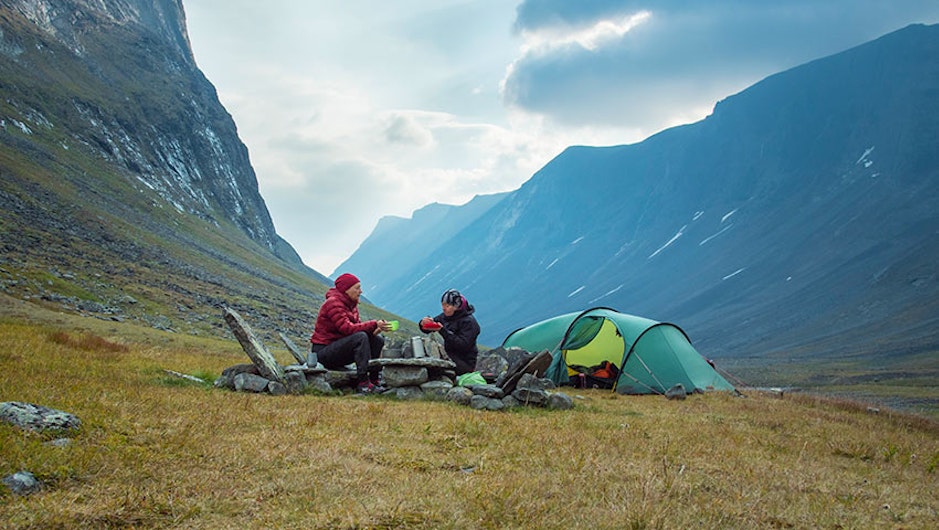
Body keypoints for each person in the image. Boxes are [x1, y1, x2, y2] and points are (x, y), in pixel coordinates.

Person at [310, 273, 392, 394]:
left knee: (377, 339)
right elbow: (347, 329)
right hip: (323, 353)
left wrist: (377, 330)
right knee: (360, 337)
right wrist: (374, 323)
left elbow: (357, 329)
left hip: (338, 349)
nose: (361, 291)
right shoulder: (333, 303)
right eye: (357, 288)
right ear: (346, 290)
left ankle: (374, 380)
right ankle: (363, 383)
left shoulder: (351, 305)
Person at [419, 288, 480, 376]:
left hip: (464, 363)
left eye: (447, 306)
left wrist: (443, 331)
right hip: (449, 357)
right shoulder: (445, 316)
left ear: (456, 306)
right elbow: (428, 328)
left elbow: (462, 345)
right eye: (443, 305)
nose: (443, 308)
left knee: (434, 370)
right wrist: (423, 323)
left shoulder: (469, 323)